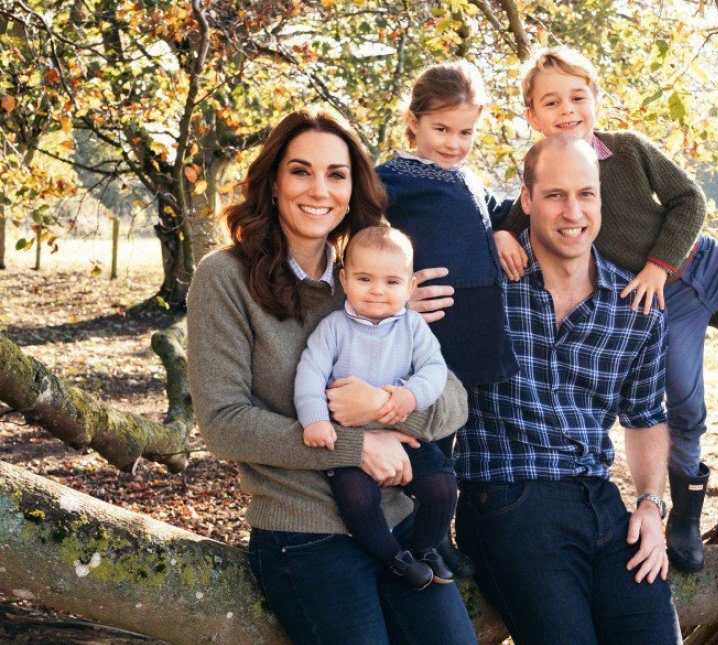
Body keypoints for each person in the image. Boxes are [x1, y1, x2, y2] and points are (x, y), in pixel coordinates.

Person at [493, 48, 718, 573]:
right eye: (550, 102)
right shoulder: (544, 174)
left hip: (703, 263)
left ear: (595, 99)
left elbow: (689, 200)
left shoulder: (627, 150)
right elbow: (518, 215)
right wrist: (499, 234)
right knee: (684, 409)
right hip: (665, 307)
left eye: (578, 96)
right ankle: (686, 521)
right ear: (532, 115)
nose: (567, 110)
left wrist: (657, 264)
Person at [187, 108, 476, 644]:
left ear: (353, 188)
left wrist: (387, 405)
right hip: (304, 533)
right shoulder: (224, 278)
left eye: (336, 174)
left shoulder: (369, 279)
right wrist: (356, 446)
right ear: (273, 182)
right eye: (300, 171)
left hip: (399, 519)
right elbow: (224, 424)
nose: (319, 189)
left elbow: (454, 399)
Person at [456, 136, 683, 645]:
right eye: (556, 195)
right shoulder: (485, 288)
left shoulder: (636, 307)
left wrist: (650, 504)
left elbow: (645, 416)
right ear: (528, 200)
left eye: (586, 194)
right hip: (507, 496)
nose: (573, 212)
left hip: (602, 504)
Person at [377, 60, 519, 576]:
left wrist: (503, 230)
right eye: (441, 129)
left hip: (475, 325)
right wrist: (392, 288)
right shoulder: (392, 177)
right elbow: (357, 234)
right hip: (433, 326)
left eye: (466, 132)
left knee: (453, 432)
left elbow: (496, 208)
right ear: (413, 121)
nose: (454, 143)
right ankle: (423, 535)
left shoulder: (468, 176)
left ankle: (439, 532)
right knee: (427, 433)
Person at [294, 226, 457, 589]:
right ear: (344, 279)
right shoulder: (333, 328)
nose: (377, 290)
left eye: (391, 281)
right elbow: (309, 373)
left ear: (410, 286)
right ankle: (394, 558)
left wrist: (409, 396)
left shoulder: (413, 327)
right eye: (364, 278)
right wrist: (316, 420)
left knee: (442, 486)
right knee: (357, 499)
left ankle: (425, 548)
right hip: (349, 440)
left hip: (399, 434)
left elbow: (434, 370)